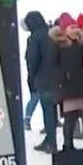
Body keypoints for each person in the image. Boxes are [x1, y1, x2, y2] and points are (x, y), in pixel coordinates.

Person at [24, 10, 61, 152]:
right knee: (52, 110)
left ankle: (51, 142)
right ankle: (49, 139)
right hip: (56, 77)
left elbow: (32, 60)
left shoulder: (34, 38)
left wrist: (31, 78)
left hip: (43, 78)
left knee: (47, 111)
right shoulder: (50, 35)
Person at [52, 15, 83, 153]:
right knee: (69, 117)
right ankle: (67, 144)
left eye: (75, 27)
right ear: (64, 30)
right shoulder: (59, 45)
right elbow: (54, 66)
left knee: (77, 114)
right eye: (70, 27)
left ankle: (72, 142)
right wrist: (61, 80)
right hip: (67, 86)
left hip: (80, 85)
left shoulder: (81, 44)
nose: (74, 30)